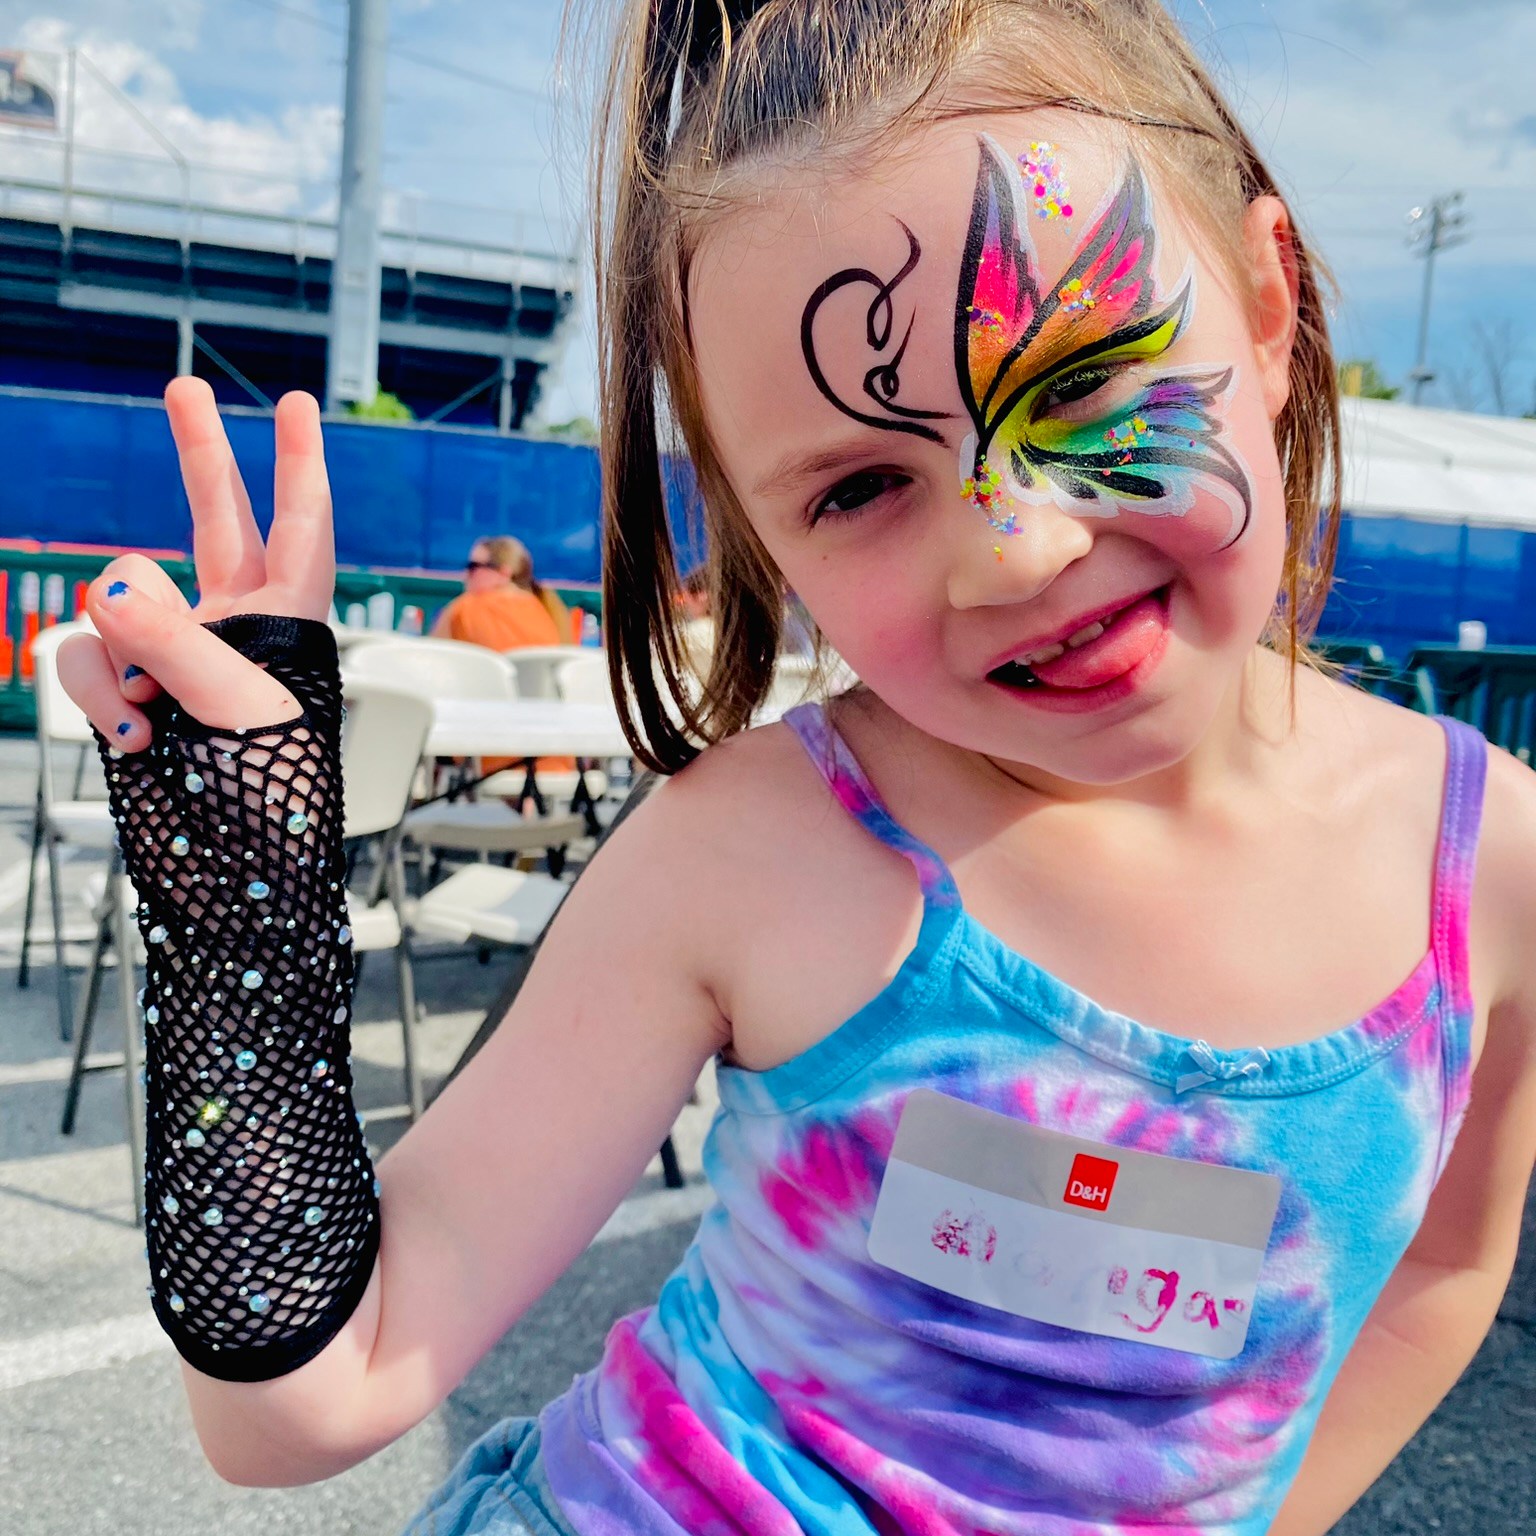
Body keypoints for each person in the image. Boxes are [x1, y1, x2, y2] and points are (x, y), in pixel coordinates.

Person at [56, 4, 1536, 1535]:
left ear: (1268, 303)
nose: (1015, 547)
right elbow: (303, 1409)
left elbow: (1444, 1267)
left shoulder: (1491, 870)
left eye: (1090, 379)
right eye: (863, 487)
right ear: (760, 540)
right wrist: (242, 888)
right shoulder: (756, 849)